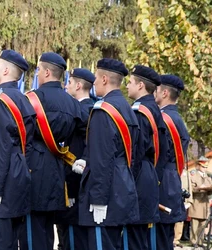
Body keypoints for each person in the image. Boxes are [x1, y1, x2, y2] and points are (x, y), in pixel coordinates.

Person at [75, 58, 139, 250]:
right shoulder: (127, 108)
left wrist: (98, 199)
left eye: (95, 77)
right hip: (121, 187)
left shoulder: (103, 111)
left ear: (104, 79)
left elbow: (102, 160)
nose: (93, 82)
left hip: (106, 194)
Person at [0, 49, 36, 250]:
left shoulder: (0, 100)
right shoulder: (22, 99)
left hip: (3, 179)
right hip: (18, 174)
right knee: (10, 242)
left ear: (6, 70)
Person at [22, 52, 82, 250]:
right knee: (48, 234)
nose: (37, 74)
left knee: (31, 233)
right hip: (57, 171)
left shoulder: (32, 99)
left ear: (47, 72)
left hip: (33, 169)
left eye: (39, 70)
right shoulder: (73, 104)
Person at [125, 65, 164, 249]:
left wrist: (126, 184)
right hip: (149, 174)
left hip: (139, 178)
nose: (127, 86)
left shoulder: (140, 112)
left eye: (130, 82)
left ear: (140, 85)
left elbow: (135, 153)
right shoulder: (153, 109)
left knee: (134, 241)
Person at [59, 68, 95, 250]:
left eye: (70, 82)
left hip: (75, 182)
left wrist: (71, 187)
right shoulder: (81, 108)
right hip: (72, 182)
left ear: (79, 85)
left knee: (73, 239)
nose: (66, 86)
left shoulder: (85, 110)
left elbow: (83, 150)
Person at [154, 74, 190, 250]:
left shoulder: (164, 120)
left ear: (165, 93)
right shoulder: (176, 118)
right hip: (170, 183)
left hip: (162, 185)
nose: (154, 93)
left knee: (158, 241)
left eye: (157, 90)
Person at [189, 156, 212, 247]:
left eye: (206, 167)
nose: (205, 169)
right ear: (198, 165)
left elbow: (211, 188)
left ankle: (200, 241)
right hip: (197, 202)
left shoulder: (207, 176)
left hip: (204, 203)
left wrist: (211, 189)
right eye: (203, 167)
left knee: (203, 224)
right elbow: (191, 189)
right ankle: (194, 241)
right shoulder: (193, 175)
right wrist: (200, 188)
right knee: (195, 224)